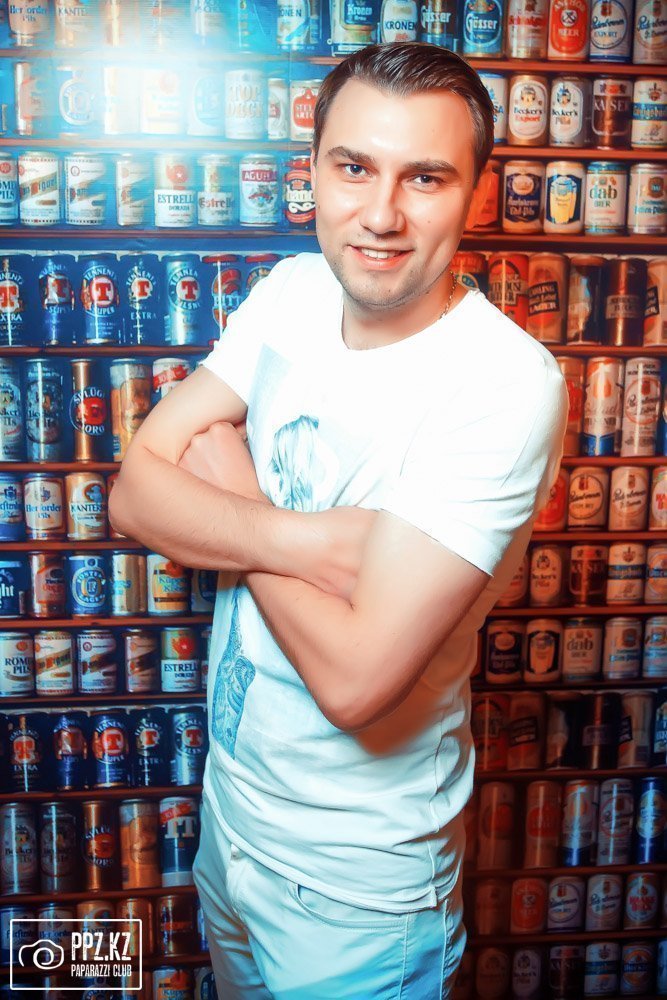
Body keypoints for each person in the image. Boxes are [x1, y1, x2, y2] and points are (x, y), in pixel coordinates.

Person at [109, 42, 568, 1000]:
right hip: (232, 825)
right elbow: (133, 495)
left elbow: (357, 684)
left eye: (424, 177)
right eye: (353, 167)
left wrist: (230, 502)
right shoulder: (290, 292)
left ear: (475, 193)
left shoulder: (500, 384)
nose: (382, 214)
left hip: (358, 886)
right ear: (311, 173)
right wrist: (312, 540)